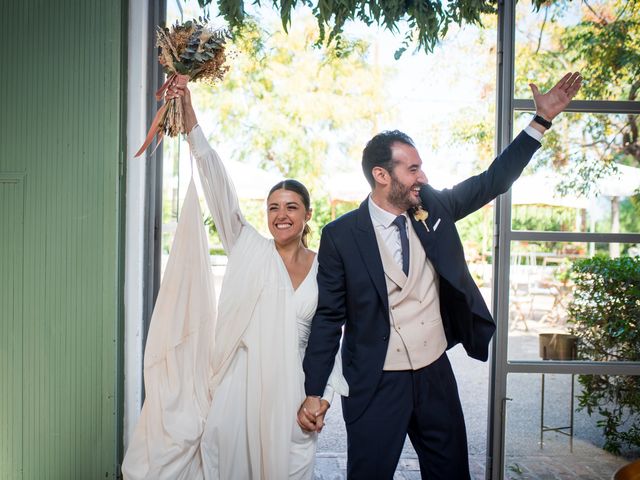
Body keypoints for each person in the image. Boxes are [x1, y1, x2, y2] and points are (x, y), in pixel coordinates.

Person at [298, 72, 582, 479]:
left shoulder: (433, 206)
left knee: (450, 472)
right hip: (377, 381)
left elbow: (492, 181)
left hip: (434, 373)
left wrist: (540, 122)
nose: (422, 177)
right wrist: (314, 390)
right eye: (412, 169)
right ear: (382, 175)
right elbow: (329, 318)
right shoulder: (340, 235)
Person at [123, 79, 347, 479]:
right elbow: (217, 184)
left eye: (292, 207)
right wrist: (191, 122)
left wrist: (323, 397)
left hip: (291, 392)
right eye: (273, 207)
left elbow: (328, 335)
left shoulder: (323, 267)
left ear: (307, 215)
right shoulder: (248, 246)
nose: (281, 215)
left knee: (288, 470)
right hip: (237, 389)